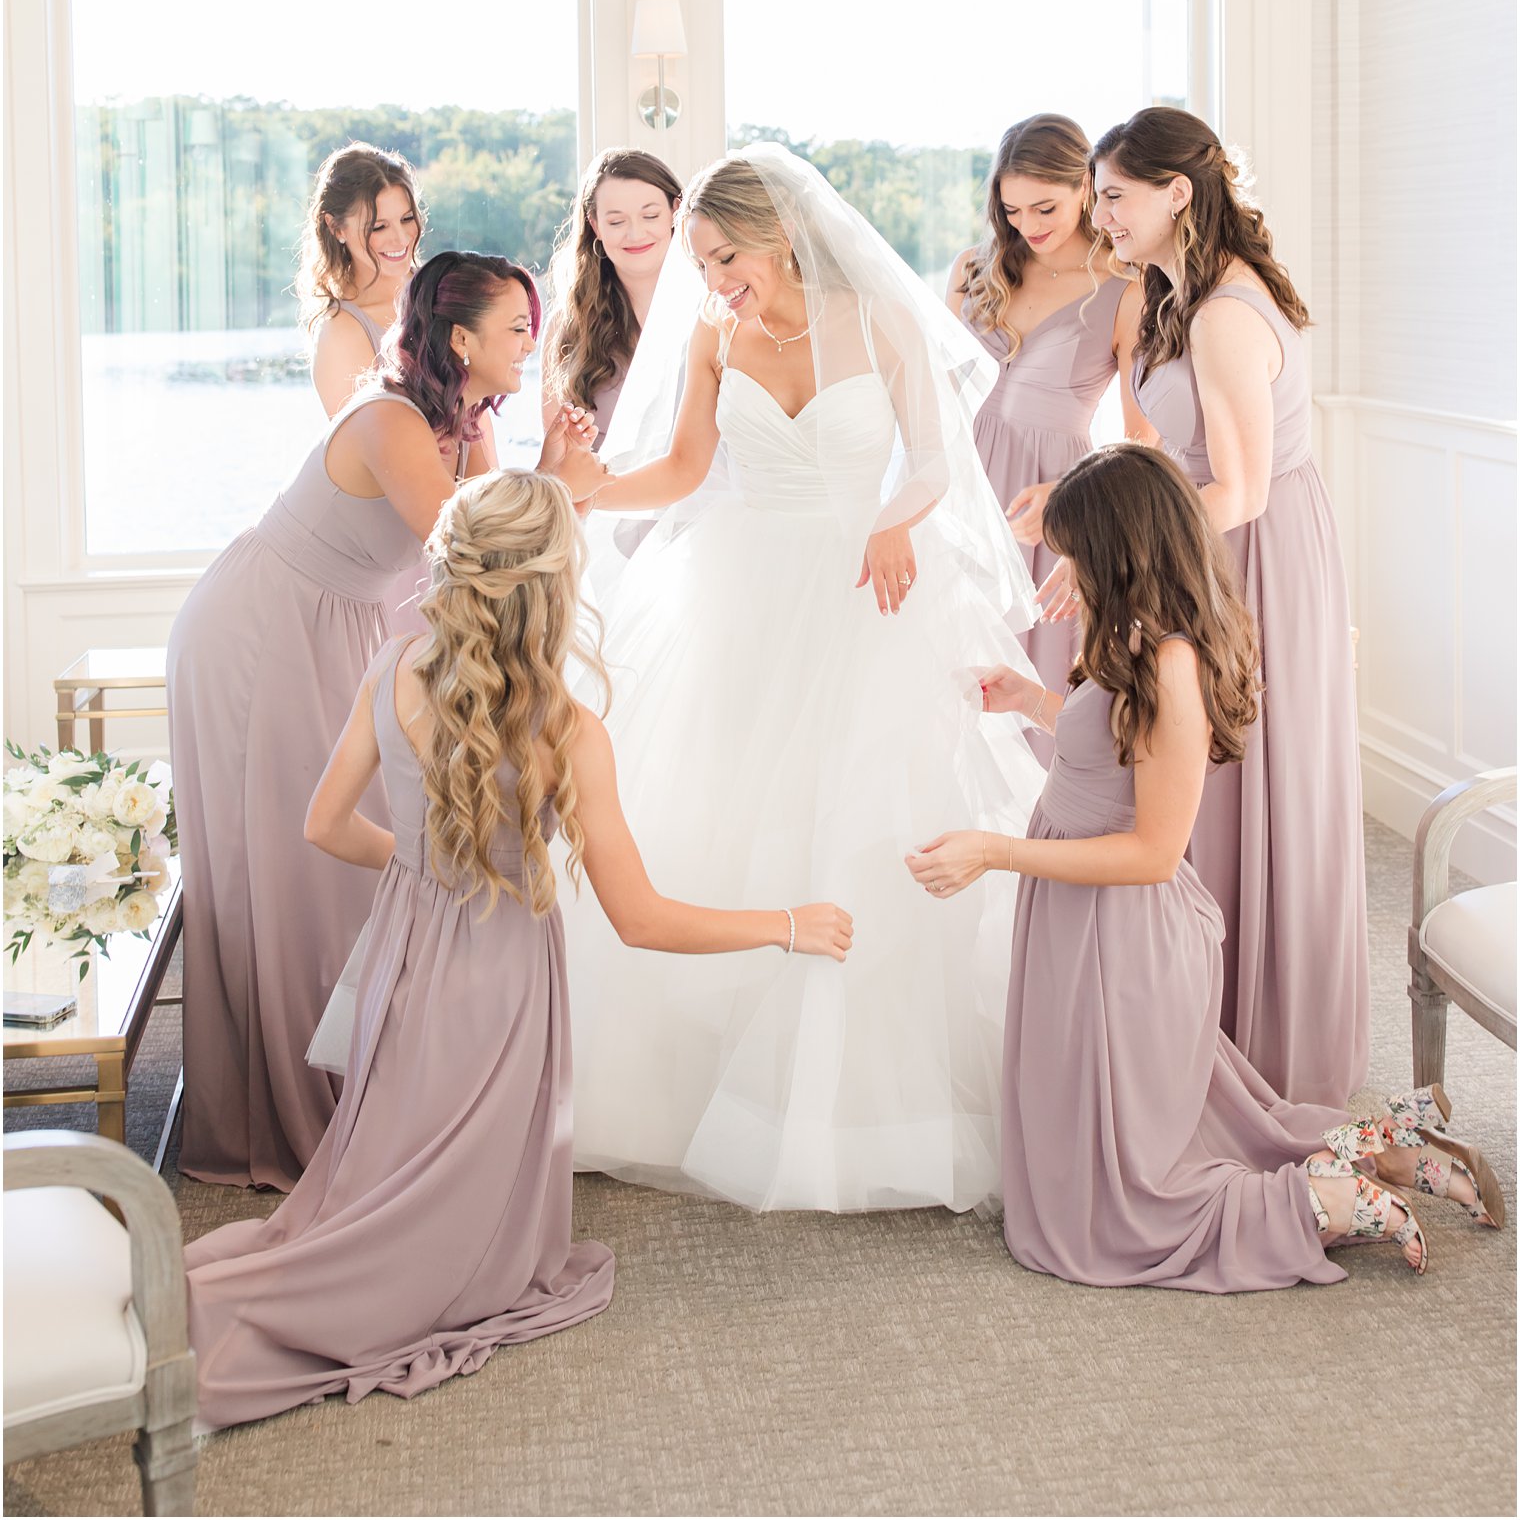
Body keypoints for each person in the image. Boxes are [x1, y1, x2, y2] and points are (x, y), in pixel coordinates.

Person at [184, 470, 851, 1430]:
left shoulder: (394, 666)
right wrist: (786, 924)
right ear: (550, 590)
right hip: (499, 988)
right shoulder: (567, 733)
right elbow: (642, 917)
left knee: (392, 1152)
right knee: (443, 1230)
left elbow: (325, 823)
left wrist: (422, 870)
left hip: (404, 958)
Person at [562, 145, 1045, 1214]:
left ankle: (847, 1101)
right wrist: (589, 493)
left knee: (856, 812)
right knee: (723, 803)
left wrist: (888, 522)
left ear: (778, 235)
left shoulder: (876, 317)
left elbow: (934, 461)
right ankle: (699, 1083)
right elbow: (686, 470)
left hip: (860, 585)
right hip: (737, 582)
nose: (713, 278)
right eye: (701, 262)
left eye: (725, 255)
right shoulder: (711, 329)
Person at [907, 444, 1504, 1290]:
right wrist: (1031, 700)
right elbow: (1111, 753)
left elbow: (1152, 850)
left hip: (1124, 936)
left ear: (1117, 549)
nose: (1062, 565)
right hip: (1082, 920)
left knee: (1117, 1210)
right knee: (1122, 1158)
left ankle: (1333, 1204)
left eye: (1073, 549)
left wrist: (993, 850)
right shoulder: (1128, 637)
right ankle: (1402, 1159)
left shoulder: (1172, 663)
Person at [167, 252, 603, 1189]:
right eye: (518, 328)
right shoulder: (391, 418)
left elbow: (507, 528)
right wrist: (562, 478)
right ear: (460, 339)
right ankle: (275, 1116)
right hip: (264, 624)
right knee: (287, 871)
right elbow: (473, 550)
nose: (533, 342)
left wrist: (557, 474)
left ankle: (357, 1087)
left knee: (334, 873)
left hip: (339, 623)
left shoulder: (469, 422)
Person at [1075, 108, 1368, 1105]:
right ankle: (1205, 1029)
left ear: (1176, 195)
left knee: (1243, 783)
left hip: (1250, 560)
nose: (1097, 212)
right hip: (1214, 549)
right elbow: (1182, 456)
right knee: (1208, 789)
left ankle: (1259, 1052)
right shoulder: (1180, 298)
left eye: (1113, 193)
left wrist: (1115, 556)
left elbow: (1236, 490)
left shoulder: (1223, 316)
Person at [948, 113, 1148, 759]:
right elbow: (933, 395)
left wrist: (1078, 511)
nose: (1028, 226)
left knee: (1034, 689)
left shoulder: (1125, 288)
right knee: (949, 684)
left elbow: (1143, 438)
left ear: (1086, 186)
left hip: (1050, 508)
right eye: (1012, 210)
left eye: (1045, 207)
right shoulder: (972, 271)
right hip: (960, 496)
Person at [541, 148, 683, 447]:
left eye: (650, 215)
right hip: (601, 492)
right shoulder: (567, 326)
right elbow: (557, 460)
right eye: (617, 222)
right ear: (595, 225)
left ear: (676, 211)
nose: (635, 234)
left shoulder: (713, 309)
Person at [300, 144, 424, 415]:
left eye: (406, 219)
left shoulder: (439, 288)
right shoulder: (339, 332)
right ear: (336, 228)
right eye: (379, 227)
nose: (401, 239)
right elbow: (366, 450)